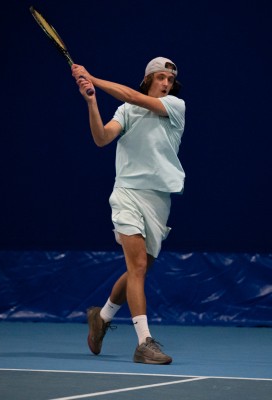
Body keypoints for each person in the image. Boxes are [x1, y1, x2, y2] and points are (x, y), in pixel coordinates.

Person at [71, 57, 186, 365]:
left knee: (141, 268)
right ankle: (144, 343)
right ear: (149, 79)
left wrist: (93, 78)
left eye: (170, 80)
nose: (166, 83)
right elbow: (102, 138)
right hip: (127, 194)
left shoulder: (175, 107)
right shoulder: (126, 111)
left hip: (158, 200)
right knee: (137, 267)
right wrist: (92, 102)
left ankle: (102, 317)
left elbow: (134, 96)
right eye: (160, 77)